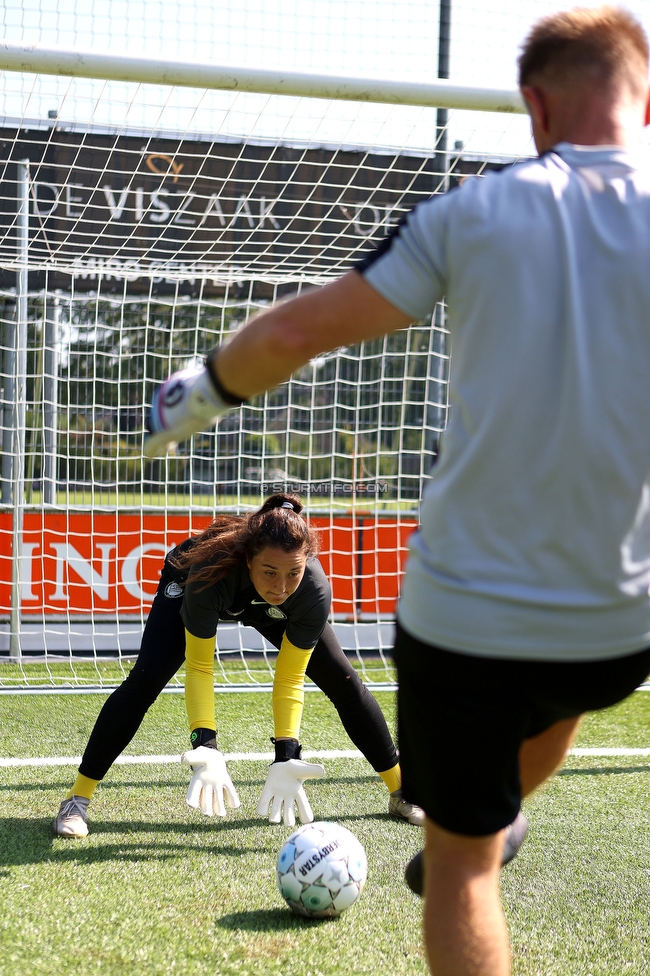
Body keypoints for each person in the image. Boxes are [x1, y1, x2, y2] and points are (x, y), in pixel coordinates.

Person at [143, 7, 650, 973]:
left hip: (468, 609)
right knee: (562, 696)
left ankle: (475, 833)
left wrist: (192, 395)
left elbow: (301, 331)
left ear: (534, 107)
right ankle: (497, 813)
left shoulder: (476, 209)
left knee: (457, 868)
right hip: (620, 614)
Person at [54, 493, 424, 838]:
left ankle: (402, 790)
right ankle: (77, 799)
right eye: (269, 572)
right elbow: (200, 667)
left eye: (292, 572)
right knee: (144, 683)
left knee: (343, 680)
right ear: (249, 559)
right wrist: (207, 745)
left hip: (260, 606)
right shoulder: (208, 571)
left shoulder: (310, 591)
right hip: (197, 584)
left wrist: (287, 754)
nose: (281, 586)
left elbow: (291, 675)